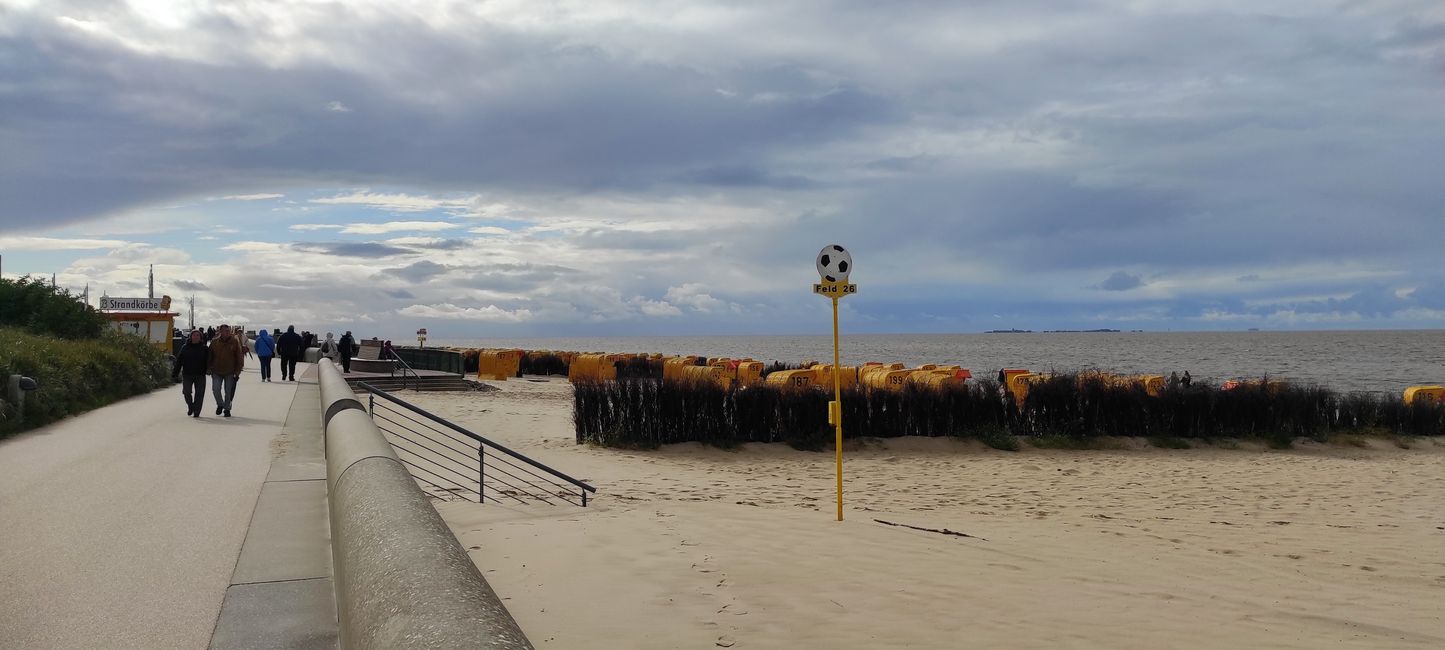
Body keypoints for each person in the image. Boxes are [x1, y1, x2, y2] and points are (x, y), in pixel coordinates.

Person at [208, 324, 245, 417]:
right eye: (224, 331)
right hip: (216, 370)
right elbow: (209, 356)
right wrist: (209, 368)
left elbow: (239, 358)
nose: (227, 333)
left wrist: (237, 372)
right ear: (220, 332)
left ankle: (227, 409)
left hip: (230, 371)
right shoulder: (214, 342)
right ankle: (220, 404)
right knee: (215, 389)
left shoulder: (234, 342)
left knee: (228, 391)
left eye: (228, 331)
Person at [171, 329, 209, 417]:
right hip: (187, 374)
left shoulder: (204, 348)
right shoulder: (185, 347)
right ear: (190, 337)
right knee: (186, 392)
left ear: (200, 337)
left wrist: (209, 369)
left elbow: (209, 361)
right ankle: (191, 406)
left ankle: (197, 411)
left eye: (198, 335)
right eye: (194, 335)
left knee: (199, 394)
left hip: (200, 374)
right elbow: (179, 361)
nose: (196, 337)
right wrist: (175, 373)